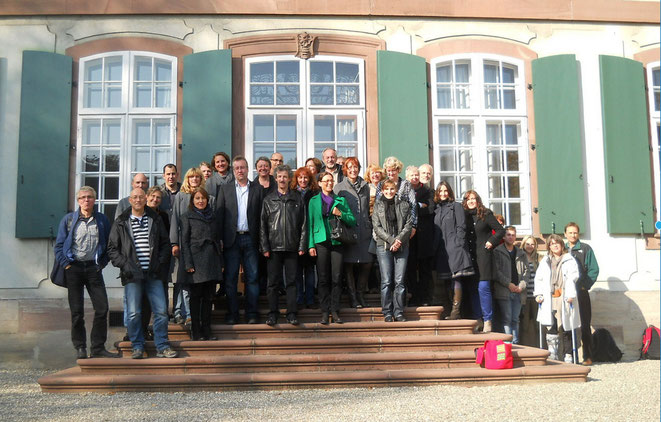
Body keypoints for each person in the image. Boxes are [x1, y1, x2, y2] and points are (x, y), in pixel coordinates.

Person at [108, 188, 178, 359]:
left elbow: (164, 244)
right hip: (132, 275)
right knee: (133, 313)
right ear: (130, 200)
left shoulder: (155, 219)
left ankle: (162, 345)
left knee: (161, 311)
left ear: (145, 199)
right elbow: (112, 249)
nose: (138, 200)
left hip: (154, 274)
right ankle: (137, 346)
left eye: (141, 197)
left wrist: (159, 264)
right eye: (135, 197)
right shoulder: (121, 221)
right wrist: (125, 265)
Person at [53, 186, 118, 359]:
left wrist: (102, 264)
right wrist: (66, 265)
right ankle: (80, 347)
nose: (86, 200)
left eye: (89, 197)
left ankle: (97, 347)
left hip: (93, 269)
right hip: (73, 268)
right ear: (78, 200)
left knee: (102, 308)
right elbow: (59, 246)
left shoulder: (102, 220)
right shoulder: (68, 220)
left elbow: (109, 245)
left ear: (94, 200)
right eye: (83, 197)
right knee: (77, 311)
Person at [216, 156, 263, 325]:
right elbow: (219, 216)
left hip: (251, 238)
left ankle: (251, 313)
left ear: (248, 169)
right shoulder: (225, 189)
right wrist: (219, 238)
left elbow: (261, 217)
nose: (240, 171)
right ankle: (232, 313)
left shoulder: (257, 189)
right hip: (231, 239)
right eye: (236, 168)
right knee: (230, 278)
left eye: (242, 167)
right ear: (233, 170)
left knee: (253, 277)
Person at [260, 165, 308, 326]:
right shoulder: (268, 199)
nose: (282, 179)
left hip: (292, 247)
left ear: (289, 179)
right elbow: (262, 225)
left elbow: (303, 224)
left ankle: (292, 313)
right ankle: (273, 313)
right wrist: (265, 247)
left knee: (292, 282)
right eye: (279, 176)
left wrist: (302, 245)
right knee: (272, 283)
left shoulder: (297, 199)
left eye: (285, 176)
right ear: (275, 178)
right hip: (273, 248)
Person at [308, 171, 355, 324]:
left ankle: (335, 310)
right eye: (326, 180)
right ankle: (324, 311)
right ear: (320, 183)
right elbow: (310, 224)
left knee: (336, 278)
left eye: (331, 180)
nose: (329, 183)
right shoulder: (313, 200)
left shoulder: (340, 199)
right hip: (320, 242)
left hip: (337, 242)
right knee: (322, 278)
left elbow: (352, 220)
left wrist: (340, 213)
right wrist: (310, 245)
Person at [181, 187, 221, 341]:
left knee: (208, 298)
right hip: (196, 262)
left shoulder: (213, 217)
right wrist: (188, 264)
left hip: (212, 261)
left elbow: (217, 239)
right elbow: (184, 241)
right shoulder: (187, 217)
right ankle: (196, 331)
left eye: (203, 198)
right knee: (196, 297)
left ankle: (207, 330)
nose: (200, 201)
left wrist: (220, 262)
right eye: (197, 198)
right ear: (192, 201)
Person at [463, 190, 505, 333]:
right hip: (469, 257)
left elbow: (500, 230)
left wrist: (491, 242)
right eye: (468, 199)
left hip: (483, 257)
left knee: (483, 288)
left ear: (478, 200)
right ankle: (478, 319)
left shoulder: (485, 214)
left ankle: (488, 320)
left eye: (473, 199)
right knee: (473, 289)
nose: (471, 201)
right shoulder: (464, 215)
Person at [534, 234, 581, 363]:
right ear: (549, 247)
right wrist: (538, 294)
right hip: (550, 296)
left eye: (557, 243)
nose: (554, 245)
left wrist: (571, 295)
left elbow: (573, 277)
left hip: (565, 296)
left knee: (566, 325)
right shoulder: (545, 261)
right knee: (551, 324)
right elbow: (539, 278)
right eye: (551, 243)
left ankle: (568, 354)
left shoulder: (569, 259)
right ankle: (552, 352)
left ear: (561, 245)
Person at [373, 179, 414, 322]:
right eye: (387, 189)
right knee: (386, 281)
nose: (389, 192)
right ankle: (387, 312)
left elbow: (409, 225)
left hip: (402, 246)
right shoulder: (377, 206)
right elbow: (377, 227)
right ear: (382, 190)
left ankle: (399, 311)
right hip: (384, 246)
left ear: (396, 190)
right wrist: (391, 240)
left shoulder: (404, 204)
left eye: (392, 189)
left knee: (399, 281)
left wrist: (398, 240)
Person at [334, 157, 373, 308]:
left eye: (355, 167)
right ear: (345, 169)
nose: (353, 170)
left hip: (364, 230)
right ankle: (353, 297)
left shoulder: (365, 186)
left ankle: (360, 293)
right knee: (349, 264)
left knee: (367, 263)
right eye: (350, 167)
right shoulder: (339, 188)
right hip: (348, 230)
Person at [170, 167, 207, 325]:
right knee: (183, 280)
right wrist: (174, 243)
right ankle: (183, 312)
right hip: (183, 243)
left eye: (197, 177)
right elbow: (175, 220)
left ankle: (195, 313)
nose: (194, 180)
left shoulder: (207, 197)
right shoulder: (181, 196)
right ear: (187, 179)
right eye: (191, 177)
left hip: (200, 247)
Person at [432, 181, 473, 319]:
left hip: (455, 248)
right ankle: (449, 309)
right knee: (445, 280)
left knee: (456, 279)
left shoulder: (456, 206)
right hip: (442, 250)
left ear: (449, 192)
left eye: (445, 191)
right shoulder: (437, 209)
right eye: (440, 191)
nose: (443, 193)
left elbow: (461, 226)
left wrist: (458, 243)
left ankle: (456, 312)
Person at [565, 222, 599, 366]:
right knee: (568, 324)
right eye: (570, 232)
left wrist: (585, 286)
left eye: (575, 233)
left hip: (581, 292)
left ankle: (587, 356)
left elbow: (594, 270)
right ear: (565, 234)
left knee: (585, 325)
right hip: (567, 294)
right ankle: (570, 356)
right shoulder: (562, 249)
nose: (573, 235)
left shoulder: (585, 248)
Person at [404, 166, 435, 306]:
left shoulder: (428, 191)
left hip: (424, 236)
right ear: (407, 176)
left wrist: (415, 207)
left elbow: (430, 209)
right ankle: (413, 297)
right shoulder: (403, 190)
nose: (415, 177)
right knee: (410, 268)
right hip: (409, 236)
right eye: (412, 175)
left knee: (424, 270)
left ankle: (426, 298)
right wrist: (419, 206)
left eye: (417, 175)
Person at [493, 226, 529, 344]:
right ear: (504, 236)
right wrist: (508, 284)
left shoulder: (521, 253)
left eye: (513, 235)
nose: (511, 237)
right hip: (504, 291)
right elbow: (496, 272)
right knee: (507, 319)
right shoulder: (497, 251)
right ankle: (508, 344)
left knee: (515, 319)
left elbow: (526, 271)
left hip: (518, 291)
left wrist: (521, 285)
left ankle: (516, 344)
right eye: (508, 234)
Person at [291, 166, 319, 308]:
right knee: (296, 271)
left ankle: (310, 299)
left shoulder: (315, 194)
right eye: (300, 177)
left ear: (309, 179)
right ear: (296, 179)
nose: (303, 180)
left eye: (305, 177)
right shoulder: (292, 194)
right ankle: (299, 299)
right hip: (295, 237)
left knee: (309, 270)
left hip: (310, 236)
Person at [376, 156, 417, 231]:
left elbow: (413, 205)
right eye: (388, 170)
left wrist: (413, 225)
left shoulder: (406, 184)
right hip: (386, 225)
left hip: (404, 225)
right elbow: (378, 205)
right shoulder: (381, 184)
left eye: (393, 170)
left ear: (398, 170)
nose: (391, 173)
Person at [519, 234, 541, 347]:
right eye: (527, 244)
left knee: (538, 324)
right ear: (523, 244)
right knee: (525, 324)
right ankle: (525, 347)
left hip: (536, 296)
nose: (530, 246)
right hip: (524, 296)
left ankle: (538, 347)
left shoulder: (539, 258)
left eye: (532, 244)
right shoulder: (519, 257)